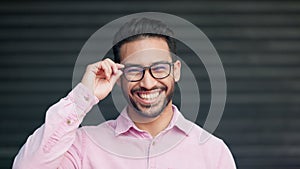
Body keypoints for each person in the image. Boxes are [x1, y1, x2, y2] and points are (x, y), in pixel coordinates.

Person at [13, 17, 236, 169]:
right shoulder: (84, 145)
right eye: (134, 70)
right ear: (118, 75)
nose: (147, 83)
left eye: (158, 68)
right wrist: (82, 97)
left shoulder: (212, 152)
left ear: (175, 71)